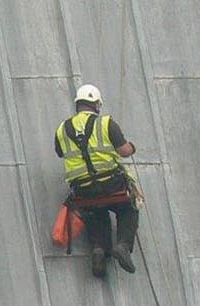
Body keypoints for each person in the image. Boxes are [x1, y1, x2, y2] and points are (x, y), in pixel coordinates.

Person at [55, 84, 138, 278]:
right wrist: (133, 146)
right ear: (96, 105)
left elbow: (60, 152)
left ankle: (99, 250)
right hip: (111, 184)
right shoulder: (106, 123)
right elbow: (124, 151)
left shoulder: (62, 129)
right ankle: (123, 246)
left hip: (83, 190)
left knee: (96, 211)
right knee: (128, 208)